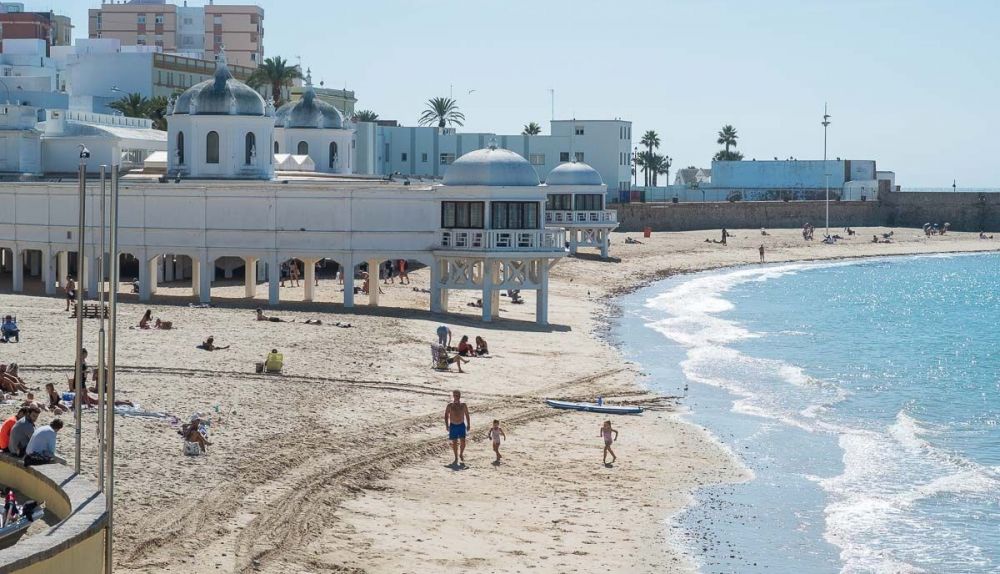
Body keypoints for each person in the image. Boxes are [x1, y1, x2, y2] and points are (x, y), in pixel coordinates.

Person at [444, 390, 471, 466]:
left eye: (457, 395)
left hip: (461, 425)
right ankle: (456, 457)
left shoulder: (463, 405)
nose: (456, 397)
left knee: (463, 442)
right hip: (453, 425)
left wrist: (469, 424)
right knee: (454, 442)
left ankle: (461, 453)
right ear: (453, 396)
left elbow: (467, 415)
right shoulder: (450, 406)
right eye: (455, 395)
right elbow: (446, 416)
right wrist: (447, 425)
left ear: (460, 396)